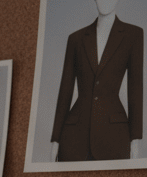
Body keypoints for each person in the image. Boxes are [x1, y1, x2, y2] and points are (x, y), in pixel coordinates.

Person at [51, 0, 143, 161]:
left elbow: (135, 88)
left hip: (114, 138)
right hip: (74, 139)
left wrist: (135, 140)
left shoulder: (133, 35)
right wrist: (55, 140)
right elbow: (65, 90)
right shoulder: (76, 39)